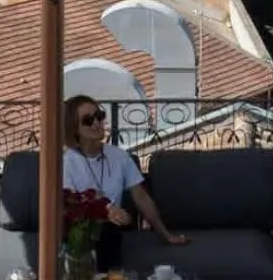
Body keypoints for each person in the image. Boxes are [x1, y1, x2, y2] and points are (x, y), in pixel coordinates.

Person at [61, 95, 187, 245]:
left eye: (99, 116)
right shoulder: (67, 162)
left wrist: (166, 235)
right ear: (75, 129)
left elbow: (141, 198)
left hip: (110, 232)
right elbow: (71, 204)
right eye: (88, 120)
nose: (97, 123)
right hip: (79, 233)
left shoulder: (119, 156)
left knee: (108, 233)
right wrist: (106, 210)